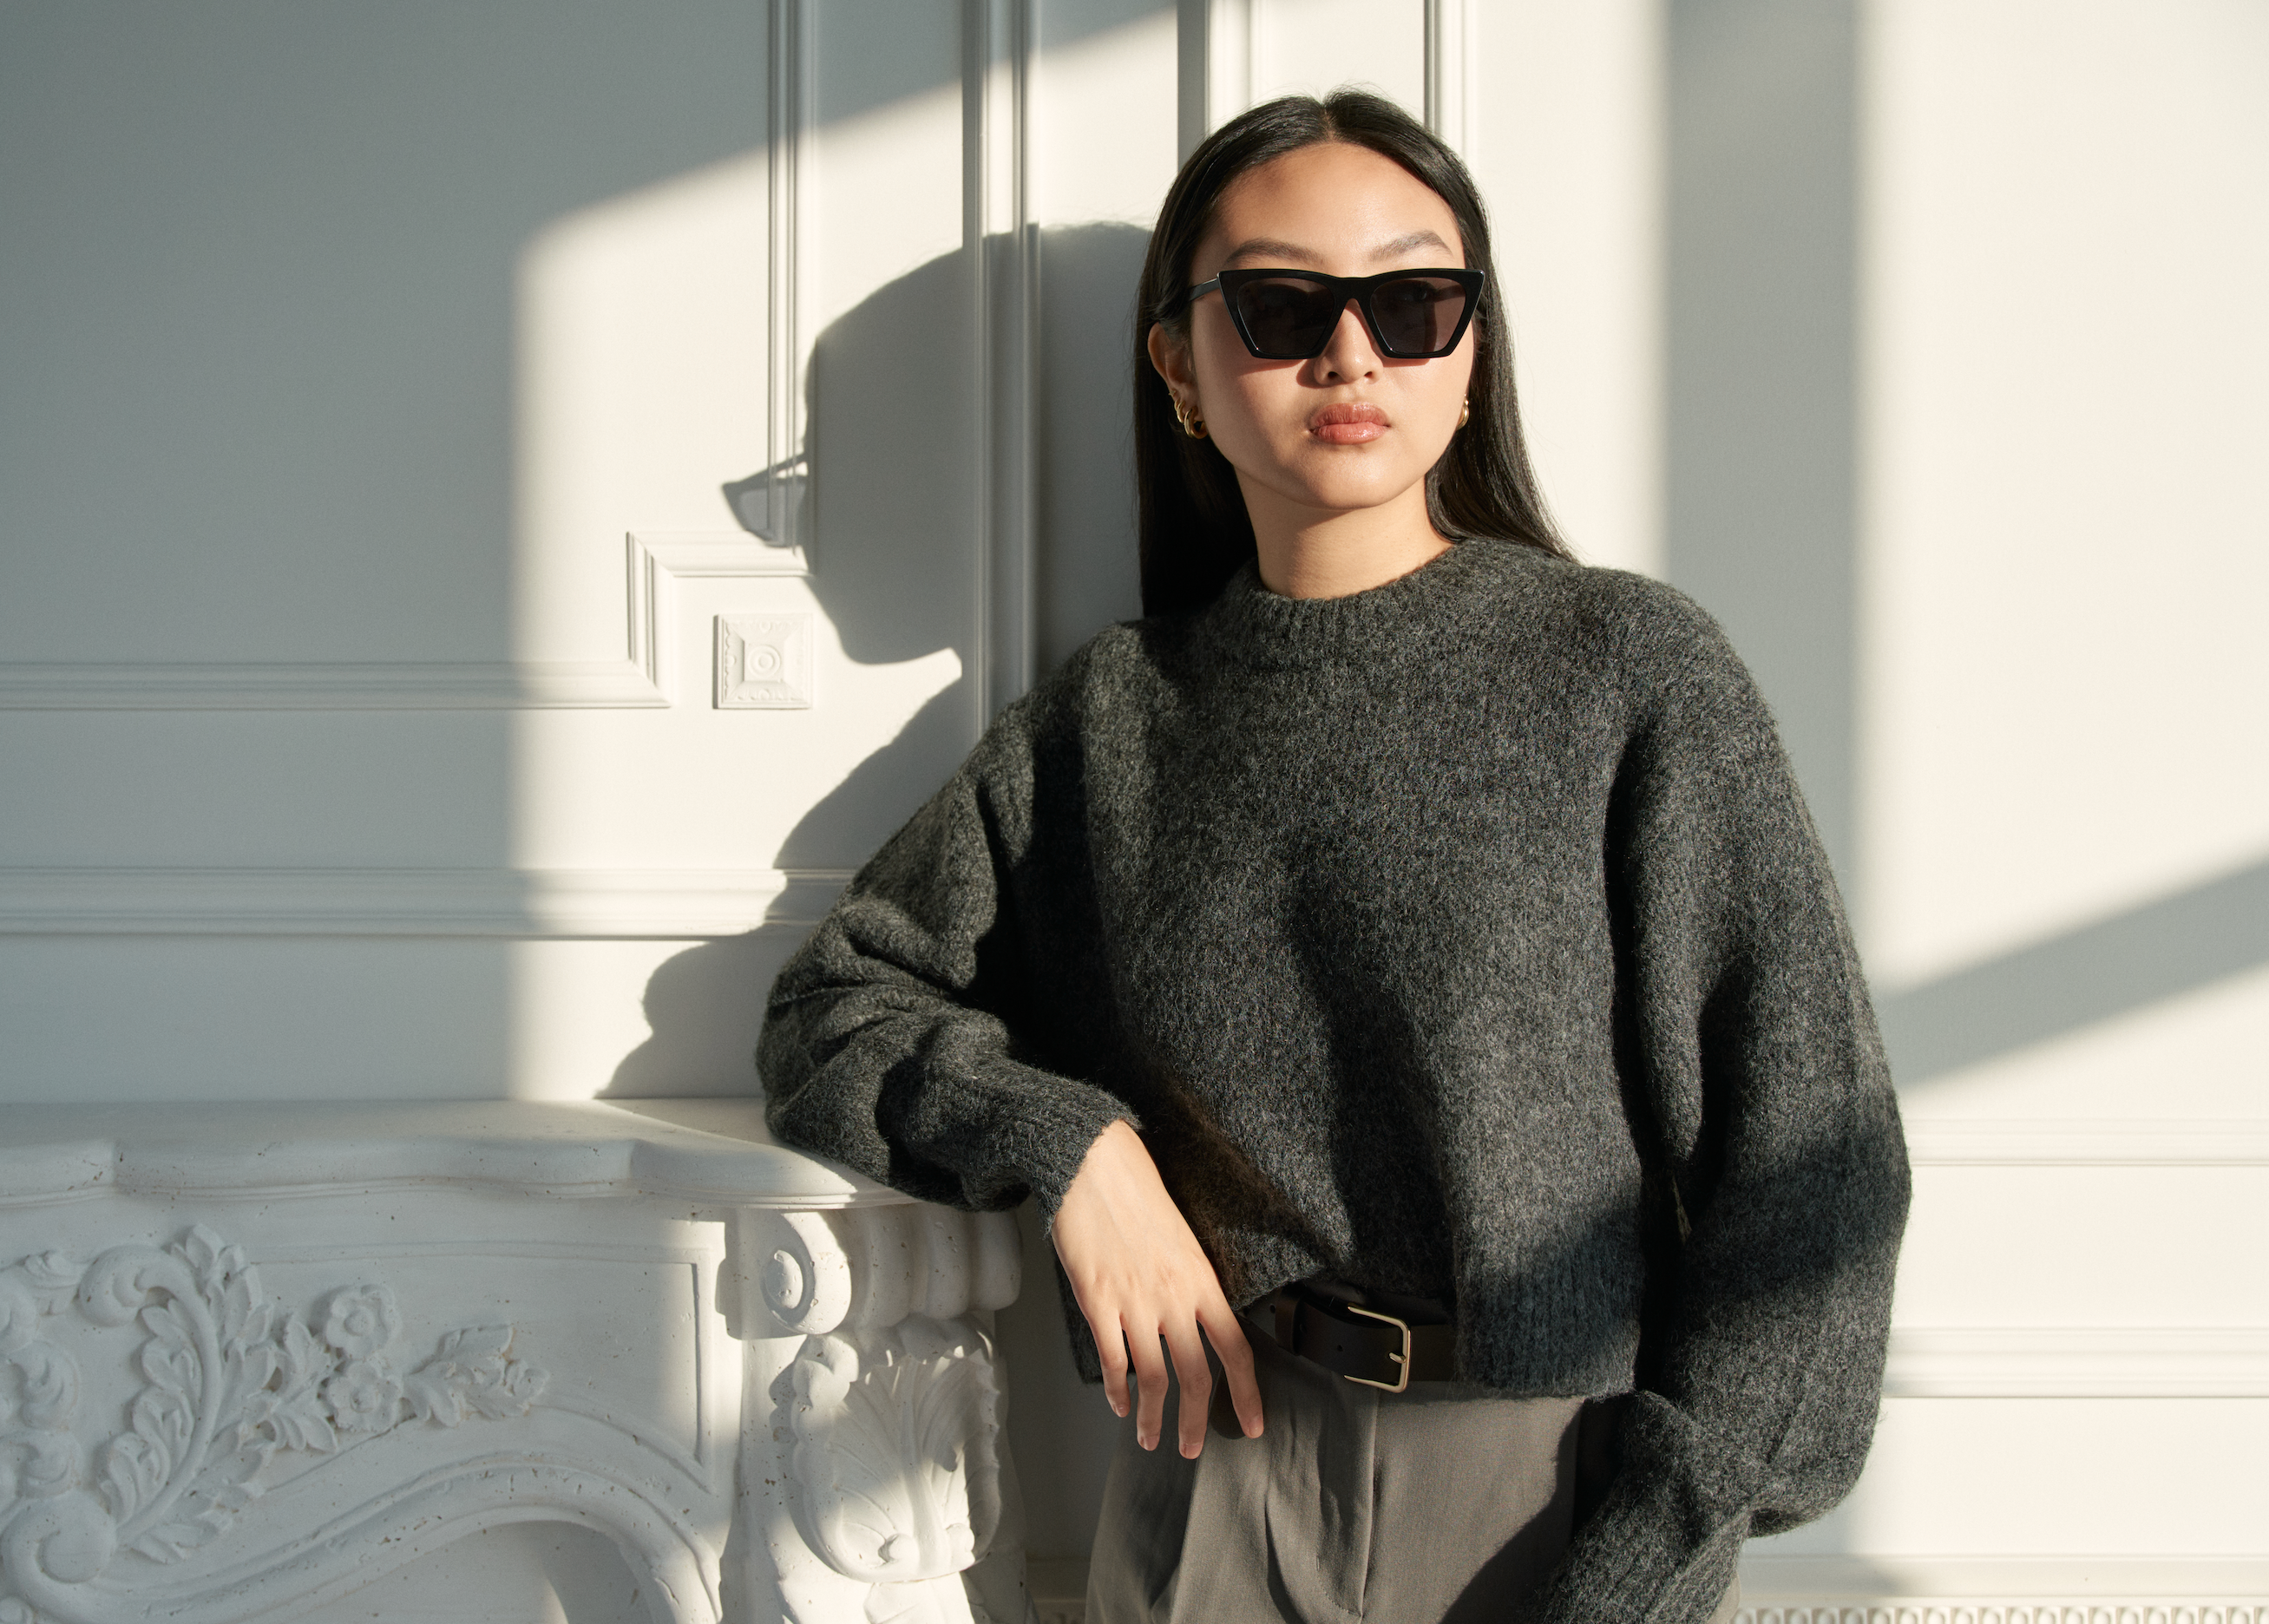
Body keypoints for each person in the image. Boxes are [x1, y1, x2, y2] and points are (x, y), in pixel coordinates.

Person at [757, 88, 1910, 1624]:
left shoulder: (1624, 671)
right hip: (1207, 1484)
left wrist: (1654, 1552)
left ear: (1471, 349)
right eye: (1283, 305)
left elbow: (1810, 1165)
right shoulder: (1112, 721)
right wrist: (1075, 1150)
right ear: (1180, 361)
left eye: (1415, 302)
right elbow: (834, 1010)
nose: (1351, 353)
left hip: (1551, 1501)